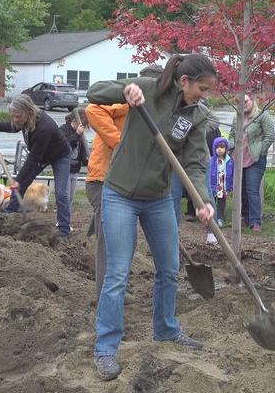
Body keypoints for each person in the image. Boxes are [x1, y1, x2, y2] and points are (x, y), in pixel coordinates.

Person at [87, 54, 217, 381]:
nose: (205, 94)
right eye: (201, 88)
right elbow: (96, 92)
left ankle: (166, 329)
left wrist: (203, 200)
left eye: (208, 90)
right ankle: (105, 348)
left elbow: (196, 164)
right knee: (117, 272)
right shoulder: (148, 89)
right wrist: (127, 90)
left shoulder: (197, 117)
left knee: (169, 268)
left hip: (158, 198)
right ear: (184, 81)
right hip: (119, 193)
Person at [85, 65, 162, 300]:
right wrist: (120, 144)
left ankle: (115, 292)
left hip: (125, 182)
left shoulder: (154, 109)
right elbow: (92, 109)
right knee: (109, 244)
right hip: (104, 178)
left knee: (125, 240)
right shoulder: (127, 103)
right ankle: (105, 298)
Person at [0, 95, 72, 238]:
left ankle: (64, 230)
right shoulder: (23, 119)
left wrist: (18, 179)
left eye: (18, 116)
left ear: (29, 111)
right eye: (13, 116)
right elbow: (13, 127)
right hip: (41, 155)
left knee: (60, 192)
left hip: (60, 155)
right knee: (20, 185)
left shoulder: (44, 127)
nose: (16, 119)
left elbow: (33, 158)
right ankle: (9, 215)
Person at [229, 94, 275, 232]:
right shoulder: (236, 117)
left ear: (252, 100)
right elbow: (231, 135)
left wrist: (261, 151)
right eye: (240, 102)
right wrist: (232, 148)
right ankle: (245, 218)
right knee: (241, 190)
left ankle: (255, 222)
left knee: (252, 189)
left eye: (246, 101)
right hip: (239, 159)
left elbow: (270, 136)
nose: (244, 104)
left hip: (255, 159)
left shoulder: (262, 115)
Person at [59, 108, 88, 225]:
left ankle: (67, 221)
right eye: (83, 124)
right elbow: (64, 145)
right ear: (75, 121)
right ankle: (62, 221)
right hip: (64, 170)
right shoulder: (63, 130)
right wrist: (77, 134)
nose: (84, 127)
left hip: (75, 170)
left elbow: (81, 151)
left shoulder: (80, 133)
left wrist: (86, 160)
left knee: (70, 198)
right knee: (64, 197)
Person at [206, 137, 233, 244]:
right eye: (217, 147)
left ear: (226, 149)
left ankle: (220, 218)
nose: (219, 150)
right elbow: (208, 174)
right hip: (214, 185)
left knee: (221, 202)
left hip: (223, 185)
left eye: (222, 147)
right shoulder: (212, 160)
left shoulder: (229, 161)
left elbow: (231, 174)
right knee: (213, 203)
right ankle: (212, 219)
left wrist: (230, 187)